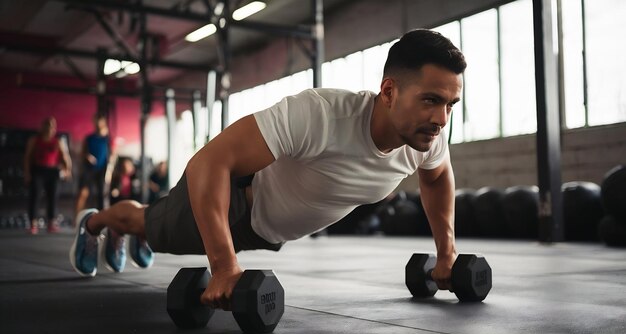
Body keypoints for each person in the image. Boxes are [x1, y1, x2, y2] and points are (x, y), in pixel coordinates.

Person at [69, 29, 464, 311]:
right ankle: (96, 224)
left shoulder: (425, 139)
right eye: (431, 100)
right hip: (237, 207)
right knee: (147, 223)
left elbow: (438, 176)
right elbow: (209, 161)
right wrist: (223, 267)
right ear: (390, 91)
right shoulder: (321, 115)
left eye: (450, 104)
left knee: (156, 225)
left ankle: (144, 227)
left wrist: (446, 252)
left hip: (271, 229)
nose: (441, 118)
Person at [24, 116, 72, 234]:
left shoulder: (58, 141)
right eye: (48, 125)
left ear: (54, 128)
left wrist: (67, 170)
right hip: (38, 170)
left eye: (52, 126)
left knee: (53, 197)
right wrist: (27, 173)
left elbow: (65, 157)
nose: (50, 128)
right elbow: (27, 158)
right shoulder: (34, 140)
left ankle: (51, 223)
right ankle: (33, 224)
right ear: (43, 127)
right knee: (35, 196)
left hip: (52, 171)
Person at [74, 114, 114, 217]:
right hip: (89, 168)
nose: (97, 125)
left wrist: (109, 171)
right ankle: (77, 217)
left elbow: (112, 155)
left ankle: (101, 217)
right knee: (83, 192)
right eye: (95, 122)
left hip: (102, 169)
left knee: (101, 194)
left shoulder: (108, 139)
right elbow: (82, 153)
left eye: (99, 122)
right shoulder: (89, 138)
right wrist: (87, 156)